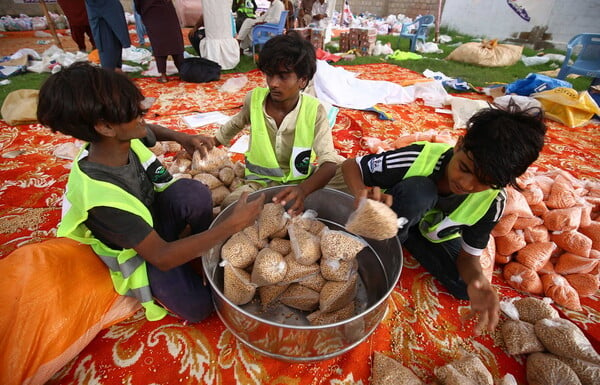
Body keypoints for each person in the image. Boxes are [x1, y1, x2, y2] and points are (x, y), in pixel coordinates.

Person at [36, 62, 264, 323]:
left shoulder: (117, 139)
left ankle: (205, 252)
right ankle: (202, 248)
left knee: (192, 191)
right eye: (134, 113)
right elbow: (162, 257)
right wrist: (230, 227)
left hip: (153, 220)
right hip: (144, 254)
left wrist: (182, 137)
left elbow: (148, 131)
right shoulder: (101, 197)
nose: (144, 115)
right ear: (105, 127)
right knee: (199, 308)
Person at [342, 105, 547, 336]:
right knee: (418, 193)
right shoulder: (419, 157)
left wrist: (478, 282)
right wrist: (360, 193)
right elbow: (352, 165)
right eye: (464, 168)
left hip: (432, 235)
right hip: (397, 213)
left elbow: (469, 258)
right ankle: (388, 242)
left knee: (464, 287)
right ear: (459, 144)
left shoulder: (493, 202)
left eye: (484, 182)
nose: (467, 185)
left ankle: (408, 239)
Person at [203, 32, 345, 215]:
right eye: (269, 75)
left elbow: (328, 162)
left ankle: (300, 200)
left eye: (283, 76)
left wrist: (303, 190)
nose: (273, 83)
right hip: (259, 183)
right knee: (230, 207)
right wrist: (211, 142)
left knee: (349, 170)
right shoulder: (254, 100)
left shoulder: (314, 110)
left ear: (302, 80)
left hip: (299, 181)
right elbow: (235, 124)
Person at [134, 0, 185, 83]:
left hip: (151, 13)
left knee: (159, 44)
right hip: (167, 11)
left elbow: (138, 4)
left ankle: (163, 76)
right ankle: (182, 73)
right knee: (175, 42)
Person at [84, 0, 130, 71]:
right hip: (99, 8)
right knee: (106, 43)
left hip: (108, 6)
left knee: (115, 39)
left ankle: (116, 70)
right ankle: (110, 73)